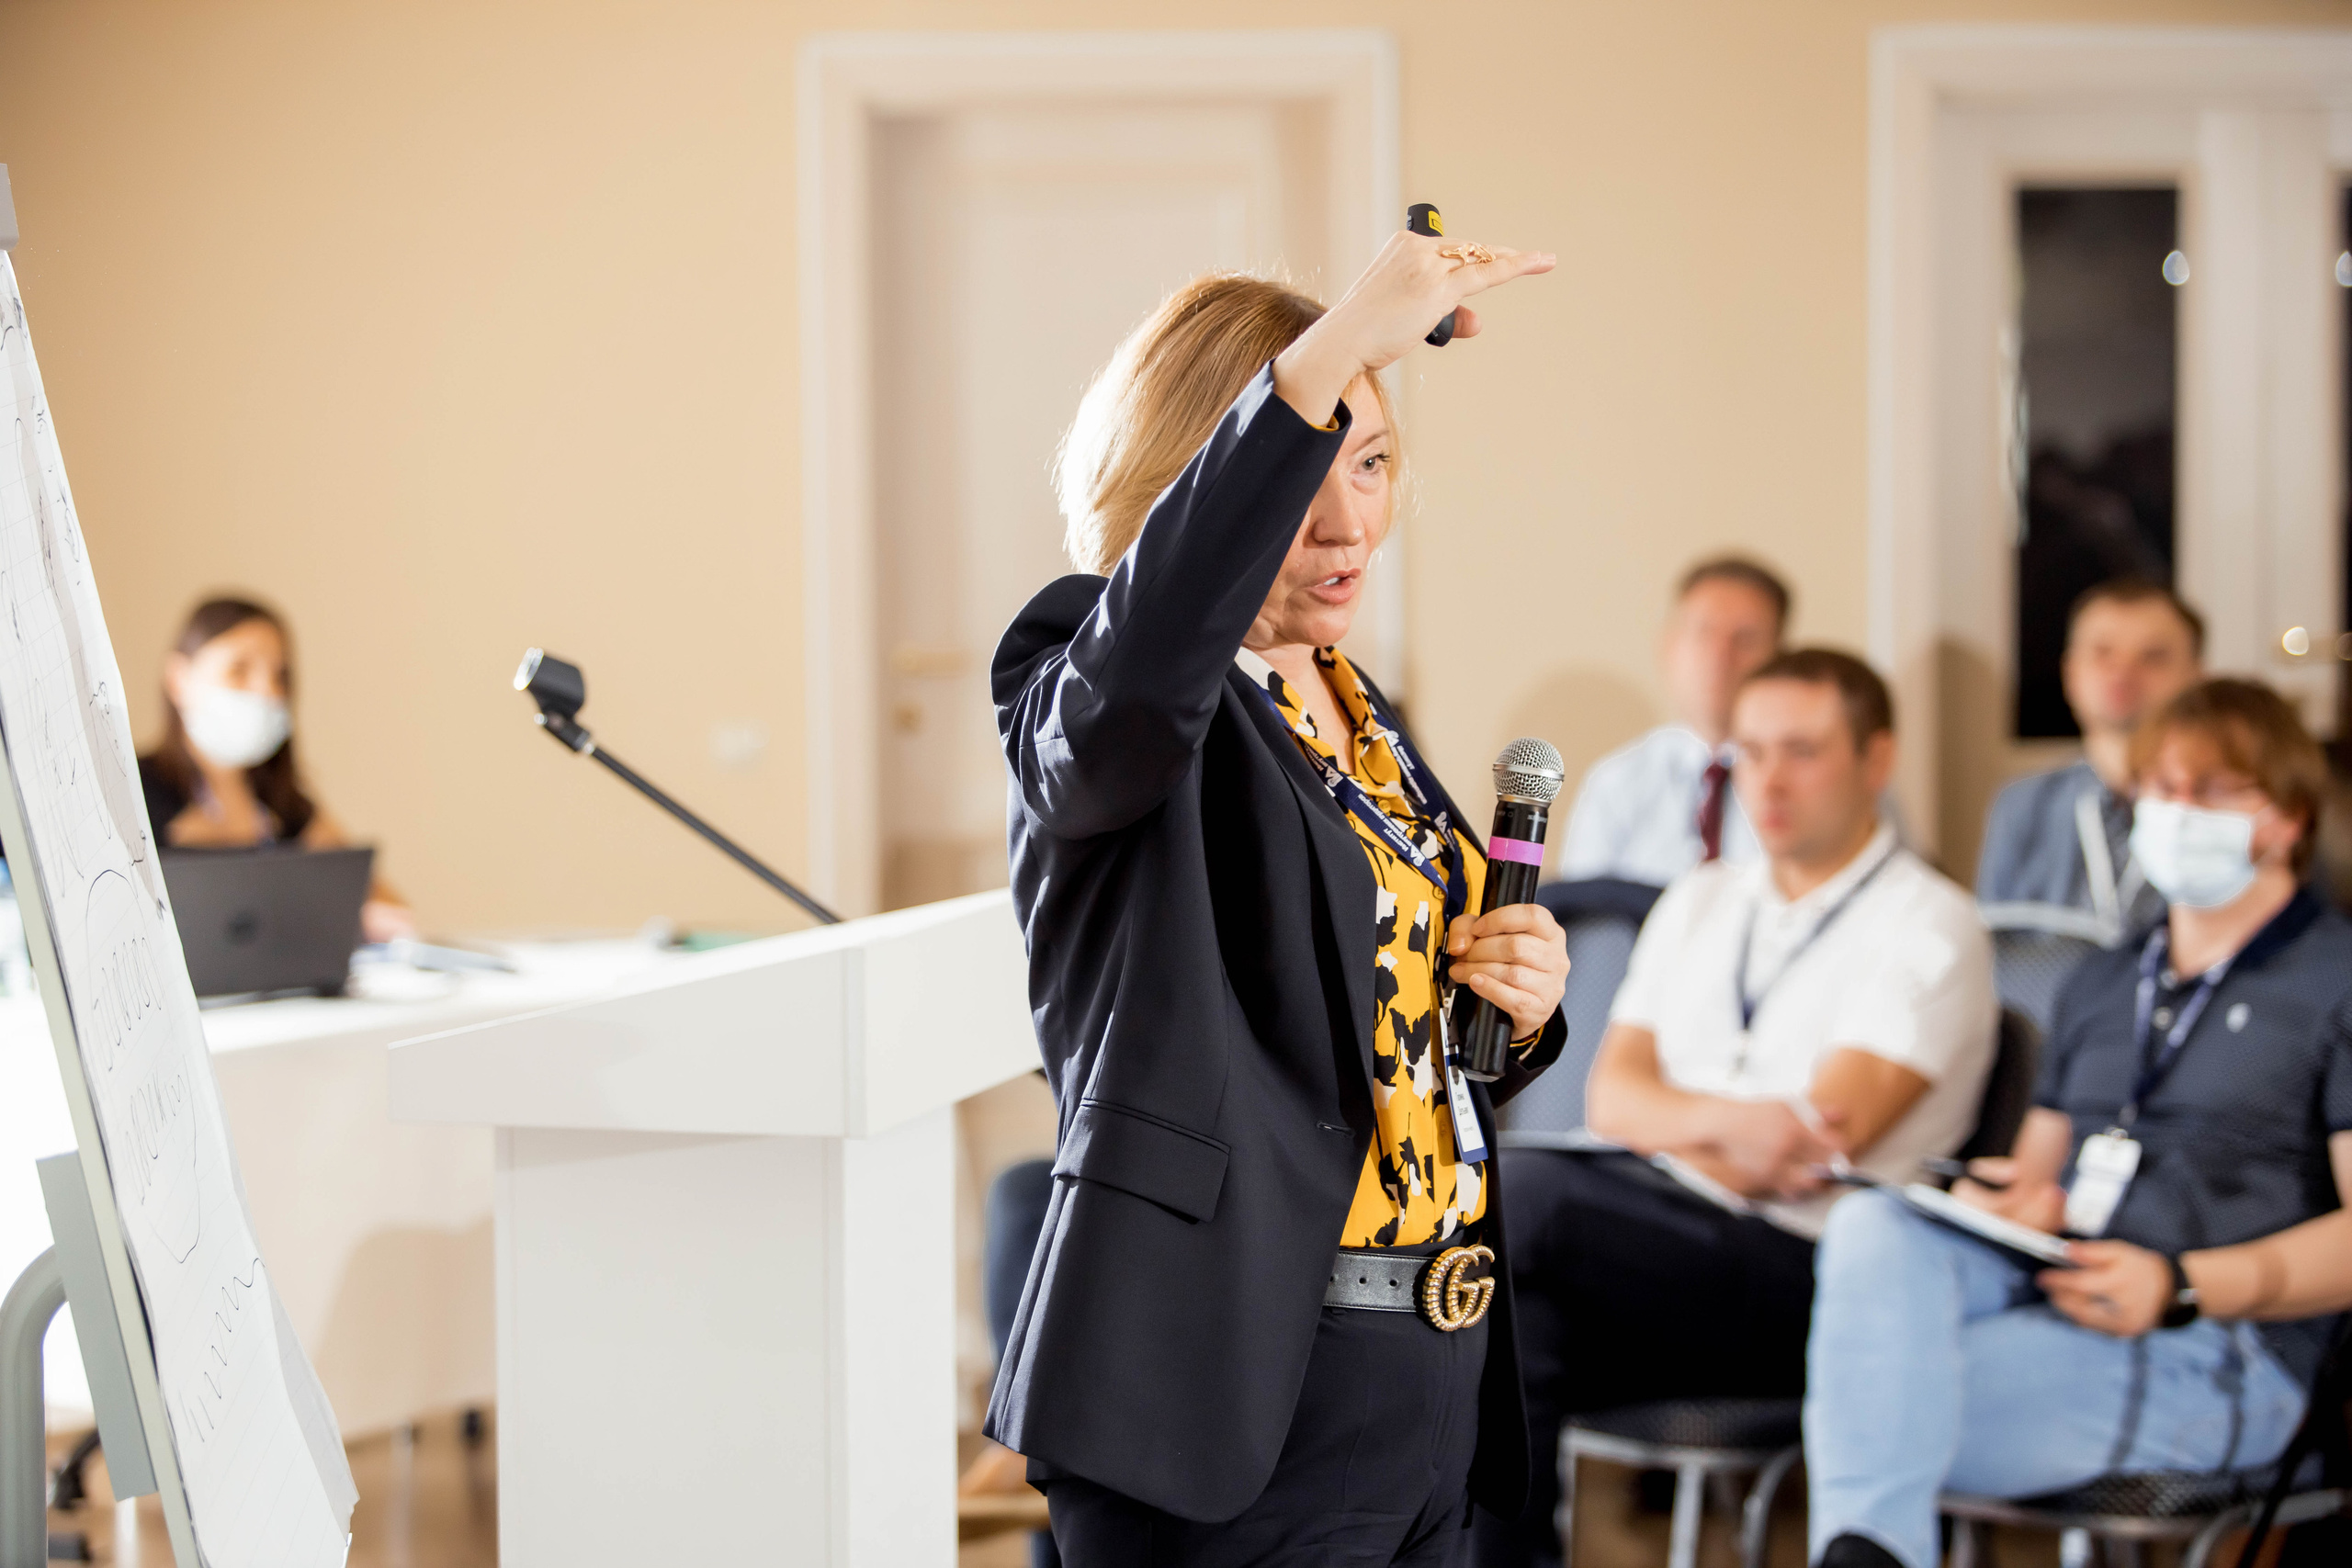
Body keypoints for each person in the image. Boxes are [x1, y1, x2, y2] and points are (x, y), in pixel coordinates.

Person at [989, 231, 1572, 1567]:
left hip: (1426, 1361)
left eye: (1368, 462)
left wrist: (1518, 999)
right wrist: (1331, 344)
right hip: (1221, 1380)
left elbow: (1388, 1026)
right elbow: (1145, 674)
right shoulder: (1088, 672)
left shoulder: (1360, 708)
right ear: (1192, 486)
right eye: (1303, 468)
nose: (1349, 519)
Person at [1805, 677, 2352, 1568]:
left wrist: (2182, 1284)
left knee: (1866, 1401)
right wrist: (2013, 1205)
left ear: (2289, 817)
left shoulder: (2333, 979)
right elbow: (2042, 1175)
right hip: (2063, 1295)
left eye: (2210, 790)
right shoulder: (2104, 981)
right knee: (1872, 1228)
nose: (2175, 811)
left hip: (2219, 1342)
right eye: (2160, 789)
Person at [1478, 649, 1996, 1568]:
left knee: (1520, 1194)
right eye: (1750, 752)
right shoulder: (1699, 898)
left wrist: (1675, 1123)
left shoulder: (1930, 921)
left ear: (1876, 760)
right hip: (1656, 1249)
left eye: (1801, 750)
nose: (1769, 780)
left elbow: (1821, 1136)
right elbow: (1612, 1094)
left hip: (1812, 1276)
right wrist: (1739, 1125)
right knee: (1502, 1320)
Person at [141, 595, 413, 942]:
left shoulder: (284, 804)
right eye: (239, 670)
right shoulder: (135, 791)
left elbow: (388, 908)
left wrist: (367, 919)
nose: (266, 692)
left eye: (279, 676)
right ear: (179, 679)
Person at [1977, 579, 2203, 940]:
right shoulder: (2023, 807)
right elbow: (1998, 951)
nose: (2123, 673)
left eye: (2153, 658)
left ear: (2196, 676)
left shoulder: (2225, 807)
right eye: (2103, 653)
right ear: (2071, 674)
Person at [1555, 557, 1789, 886]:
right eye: (1704, 632)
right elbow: (1580, 918)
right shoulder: (1616, 781)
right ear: (1669, 646)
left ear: (1780, 658)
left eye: (1745, 638)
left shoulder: (1813, 779)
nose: (1720, 656)